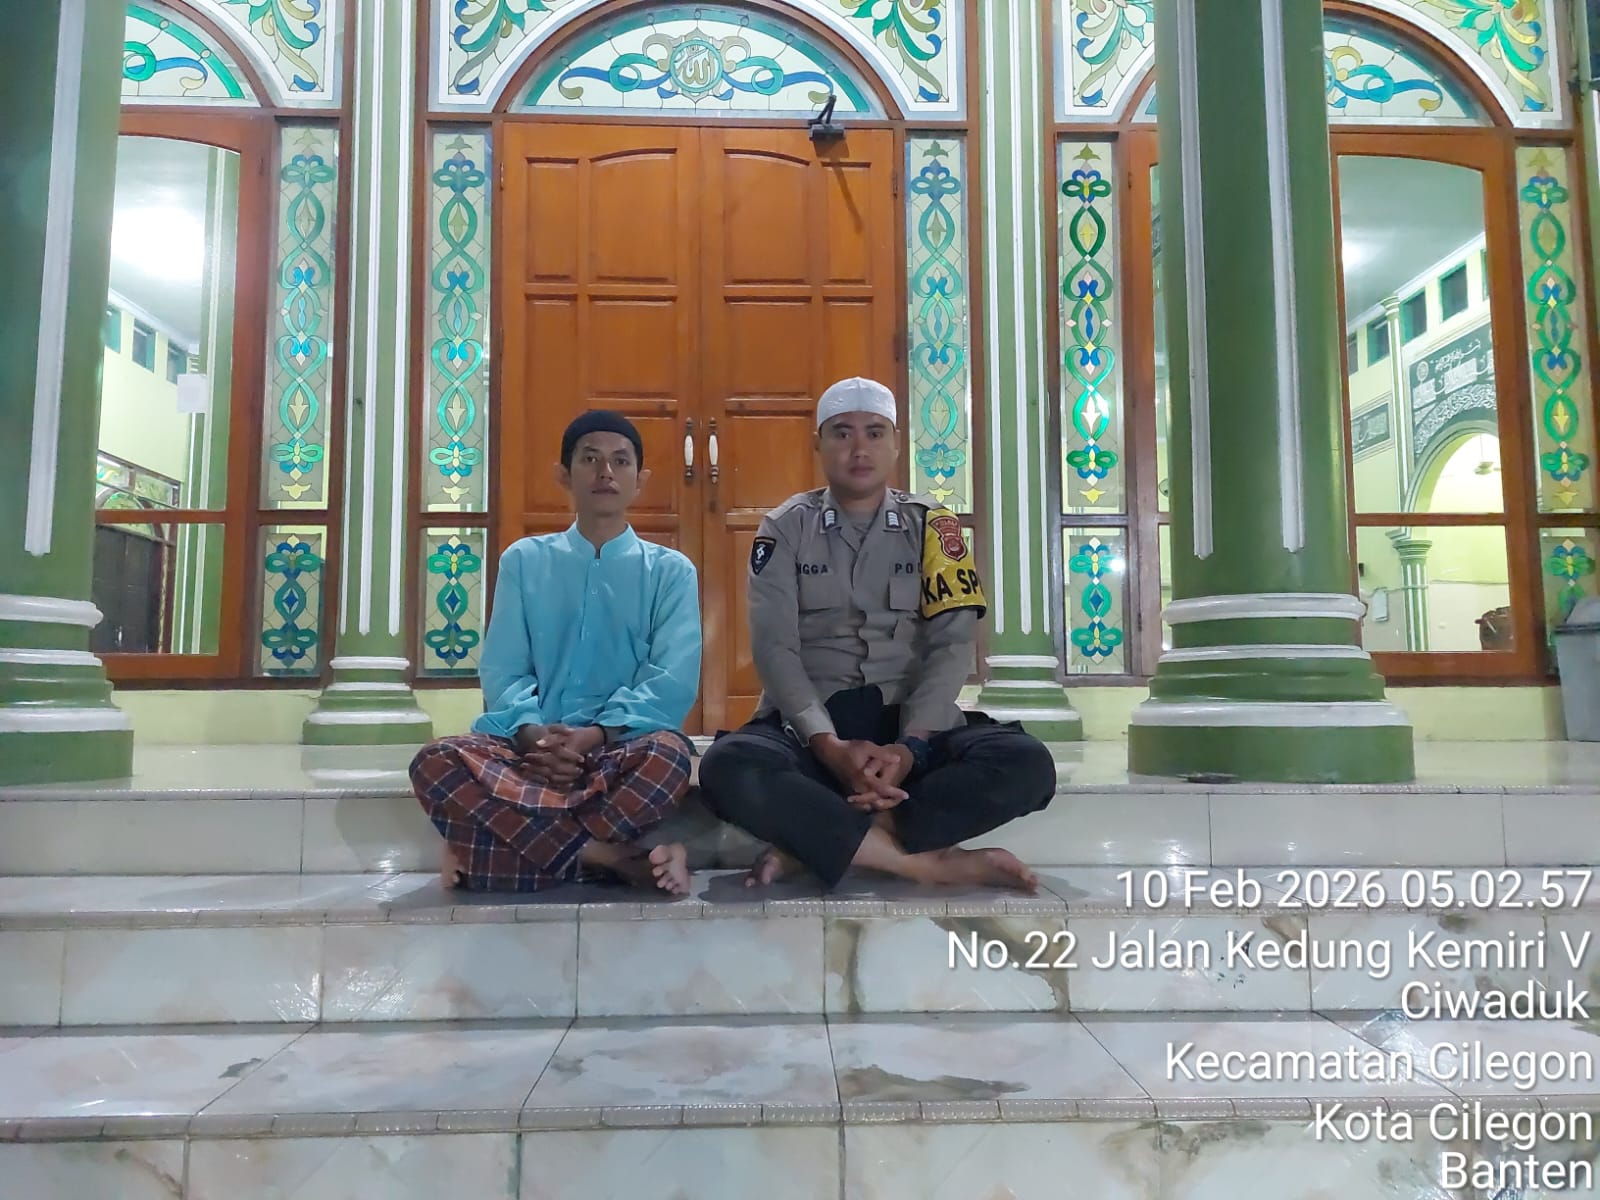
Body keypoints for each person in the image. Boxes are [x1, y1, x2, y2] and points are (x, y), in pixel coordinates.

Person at [697, 378, 1056, 893]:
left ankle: (828, 842)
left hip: (909, 732)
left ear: (896, 444)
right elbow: (775, 650)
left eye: (874, 432)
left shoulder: (934, 528)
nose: (859, 448)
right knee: (729, 766)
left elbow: (952, 646)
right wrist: (827, 746)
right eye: (842, 433)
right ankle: (924, 864)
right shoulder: (784, 528)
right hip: (813, 731)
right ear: (818, 444)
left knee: (1027, 763)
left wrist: (909, 749)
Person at [409, 411, 701, 895]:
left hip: (619, 751)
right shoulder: (524, 561)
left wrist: (593, 736)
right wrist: (535, 738)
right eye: (590, 459)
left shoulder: (671, 572)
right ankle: (608, 857)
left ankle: (492, 854)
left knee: (668, 758)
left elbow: (670, 681)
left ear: (640, 481)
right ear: (564, 475)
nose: (605, 472)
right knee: (436, 761)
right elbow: (503, 671)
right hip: (530, 752)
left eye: (620, 461)